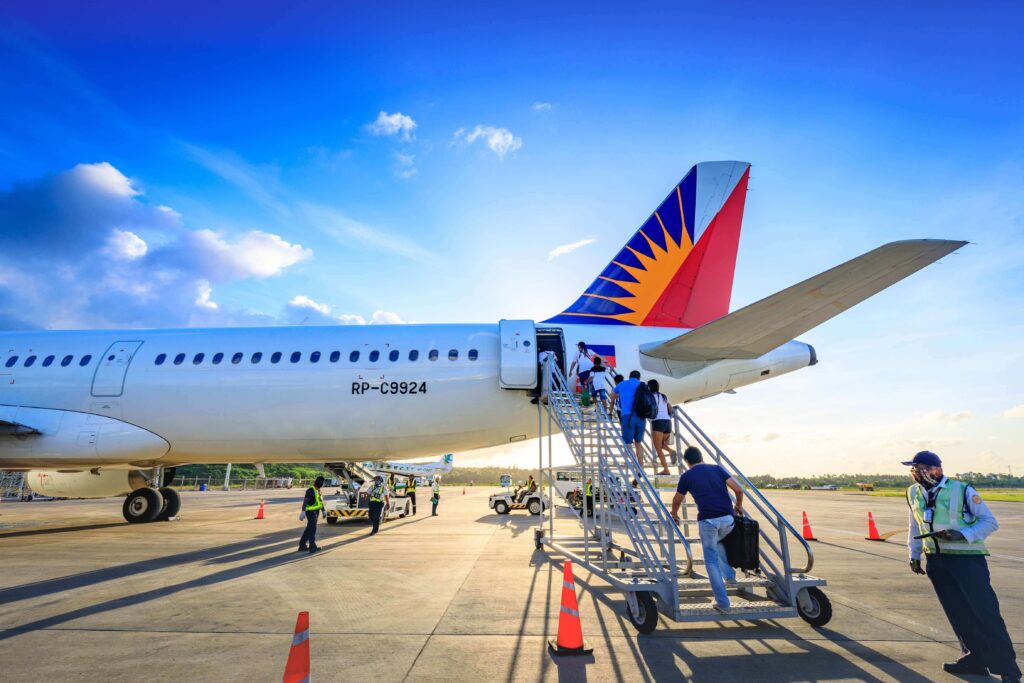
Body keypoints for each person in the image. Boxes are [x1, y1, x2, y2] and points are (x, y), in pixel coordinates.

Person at [904, 451, 1019, 682]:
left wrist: (963, 534)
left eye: (922, 467)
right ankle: (973, 659)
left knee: (985, 614)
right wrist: (914, 554)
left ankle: (1008, 670)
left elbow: (990, 522)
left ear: (937, 469)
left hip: (967, 561)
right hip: (936, 560)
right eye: (914, 468)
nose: (917, 472)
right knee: (957, 613)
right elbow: (914, 524)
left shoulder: (962, 490)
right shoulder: (913, 492)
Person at [670, 447, 743, 612]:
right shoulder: (717, 469)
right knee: (718, 543)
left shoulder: (687, 476)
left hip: (708, 521)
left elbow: (677, 500)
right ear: (701, 457)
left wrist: (674, 514)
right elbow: (738, 489)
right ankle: (729, 576)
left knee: (710, 560)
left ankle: (723, 603)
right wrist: (738, 505)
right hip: (728, 519)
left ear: (687, 462)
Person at [611, 370, 645, 461]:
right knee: (638, 443)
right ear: (639, 378)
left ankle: (636, 466)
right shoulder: (642, 384)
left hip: (627, 416)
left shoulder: (622, 384)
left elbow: (612, 395)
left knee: (628, 444)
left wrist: (621, 395)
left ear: (629, 377)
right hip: (641, 417)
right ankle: (641, 466)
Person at [647, 379, 673, 475]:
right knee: (661, 444)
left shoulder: (650, 397)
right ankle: (671, 451)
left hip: (658, 422)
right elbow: (670, 408)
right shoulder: (664, 396)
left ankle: (666, 469)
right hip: (668, 422)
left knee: (658, 448)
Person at [298, 475, 325, 554]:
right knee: (312, 529)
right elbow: (305, 502)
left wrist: (323, 510)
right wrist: (303, 511)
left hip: (316, 512)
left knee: (309, 529)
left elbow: (320, 502)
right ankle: (312, 547)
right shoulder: (310, 490)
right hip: (310, 512)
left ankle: (302, 545)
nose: (321, 484)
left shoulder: (318, 491)